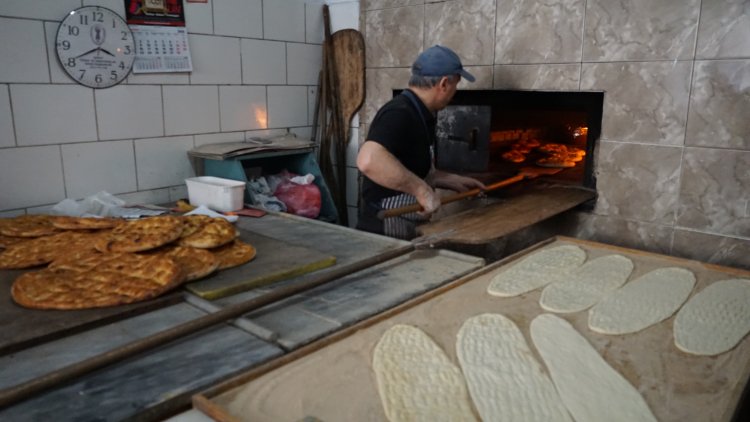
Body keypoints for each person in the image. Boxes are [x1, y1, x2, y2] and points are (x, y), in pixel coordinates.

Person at [356, 45, 487, 240]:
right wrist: (422, 190)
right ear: (444, 84)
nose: (455, 92)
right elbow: (369, 160)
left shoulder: (421, 113)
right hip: (385, 227)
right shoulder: (399, 112)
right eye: (455, 85)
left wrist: (448, 179)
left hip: (405, 223)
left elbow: (409, 166)